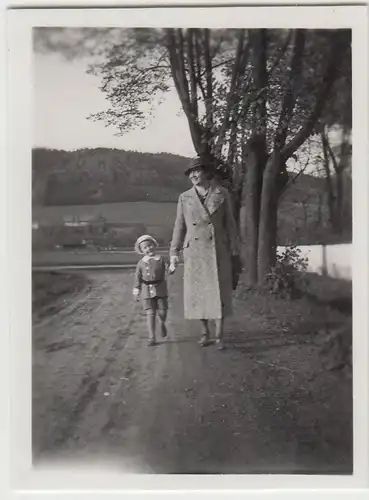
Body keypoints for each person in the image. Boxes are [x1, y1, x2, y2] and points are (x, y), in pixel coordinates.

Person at [169, 157, 240, 350]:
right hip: (195, 252)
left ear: (206, 173)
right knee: (198, 293)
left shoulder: (221, 193)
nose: (192, 175)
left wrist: (235, 248)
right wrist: (174, 251)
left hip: (218, 249)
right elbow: (179, 226)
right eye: (190, 173)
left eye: (196, 171)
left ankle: (219, 335)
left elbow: (230, 223)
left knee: (220, 292)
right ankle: (204, 333)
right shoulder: (184, 198)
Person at [133, 234, 172, 346]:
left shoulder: (161, 259)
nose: (148, 248)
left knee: (163, 311)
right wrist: (137, 289)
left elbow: (169, 268)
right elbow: (137, 277)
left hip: (160, 289)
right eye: (145, 247)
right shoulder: (141, 263)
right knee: (150, 313)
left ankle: (162, 322)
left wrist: (172, 267)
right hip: (146, 291)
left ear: (154, 245)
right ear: (141, 250)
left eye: (150, 245)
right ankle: (152, 337)